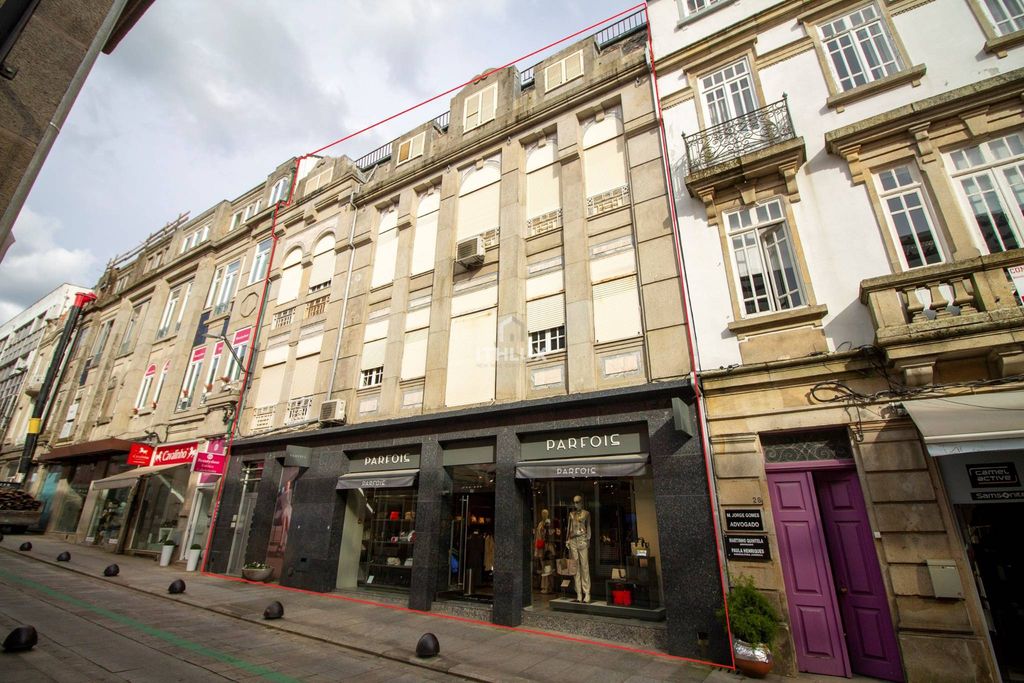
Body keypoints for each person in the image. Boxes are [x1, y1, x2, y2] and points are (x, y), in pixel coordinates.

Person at [566, 495, 591, 603]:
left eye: (578, 502)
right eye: (574, 502)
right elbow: (569, 528)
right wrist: (567, 540)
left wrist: (588, 539)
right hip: (573, 541)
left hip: (582, 539)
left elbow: (588, 526)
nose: (576, 504)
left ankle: (587, 592)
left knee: (584, 566)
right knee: (575, 567)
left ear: (582, 502)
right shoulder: (571, 514)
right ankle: (579, 593)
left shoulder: (586, 513)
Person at [535, 509, 554, 594]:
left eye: (545, 514)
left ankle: (548, 587)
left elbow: (548, 535)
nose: (544, 515)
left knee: (547, 568)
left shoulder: (548, 523)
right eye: (542, 514)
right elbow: (538, 536)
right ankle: (544, 586)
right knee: (544, 568)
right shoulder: (540, 523)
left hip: (546, 548)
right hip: (541, 548)